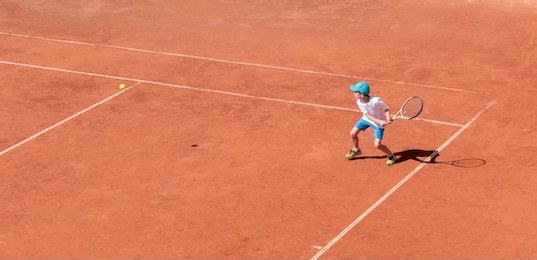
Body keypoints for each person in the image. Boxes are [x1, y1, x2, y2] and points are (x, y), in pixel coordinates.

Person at [345, 81, 397, 165]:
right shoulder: (359, 102)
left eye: (355, 92)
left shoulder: (376, 100)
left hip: (378, 125)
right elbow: (368, 116)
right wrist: (380, 121)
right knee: (352, 134)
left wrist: (387, 118)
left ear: (361, 94)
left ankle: (391, 156)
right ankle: (356, 150)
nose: (353, 93)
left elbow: (386, 109)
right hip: (367, 119)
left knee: (377, 145)